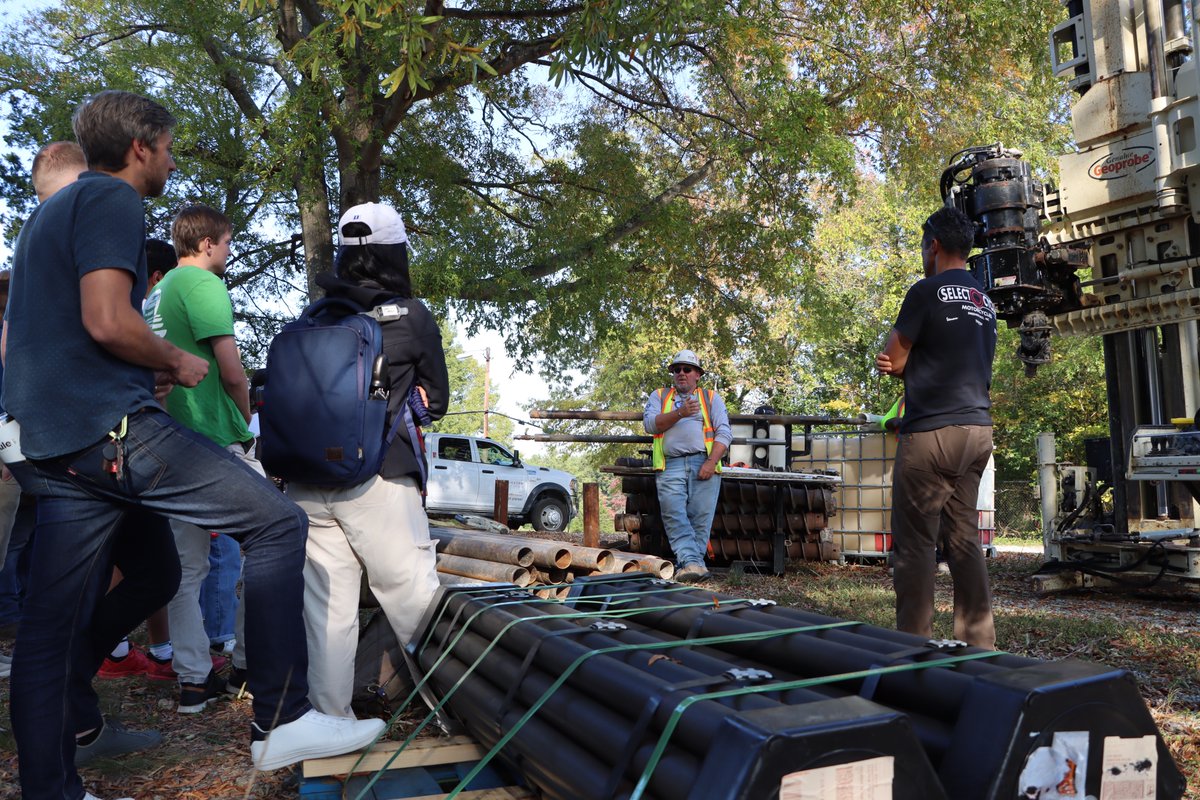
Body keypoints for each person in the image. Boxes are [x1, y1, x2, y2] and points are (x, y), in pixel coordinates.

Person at [3, 90, 384, 800]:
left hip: (50, 446)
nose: (173, 162)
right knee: (276, 523)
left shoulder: (43, 218)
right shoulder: (111, 200)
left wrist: (123, 364)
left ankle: (50, 788)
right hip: (107, 433)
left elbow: (45, 335)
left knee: (118, 594)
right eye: (171, 147)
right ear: (141, 146)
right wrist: (173, 362)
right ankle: (281, 719)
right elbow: (107, 319)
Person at [288, 201, 449, 718]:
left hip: (307, 483)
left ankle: (330, 722)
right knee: (415, 599)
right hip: (378, 479)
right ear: (395, 252)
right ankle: (458, 708)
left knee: (328, 612)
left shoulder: (315, 316)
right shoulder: (411, 317)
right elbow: (435, 403)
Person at [144, 204, 256, 711]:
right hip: (214, 436)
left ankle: (193, 681)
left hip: (166, 440)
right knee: (276, 538)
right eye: (228, 242)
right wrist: (246, 425)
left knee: (185, 570)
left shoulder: (155, 292)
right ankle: (250, 663)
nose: (229, 252)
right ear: (208, 243)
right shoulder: (204, 284)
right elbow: (231, 371)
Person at [876, 206, 998, 650]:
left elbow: (895, 358)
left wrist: (898, 364)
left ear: (934, 245)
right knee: (964, 541)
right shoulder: (987, 303)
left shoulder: (925, 292)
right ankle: (980, 648)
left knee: (915, 546)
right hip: (977, 432)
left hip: (930, 434)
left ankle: (912, 648)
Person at [642, 349, 732, 582]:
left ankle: (691, 567)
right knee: (674, 516)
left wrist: (711, 462)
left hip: (704, 462)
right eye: (677, 369)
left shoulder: (711, 398)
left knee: (700, 520)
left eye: (687, 369)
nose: (681, 373)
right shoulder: (660, 396)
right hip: (670, 465)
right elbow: (650, 425)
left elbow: (724, 433)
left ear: (697, 375)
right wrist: (681, 412)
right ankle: (694, 565)